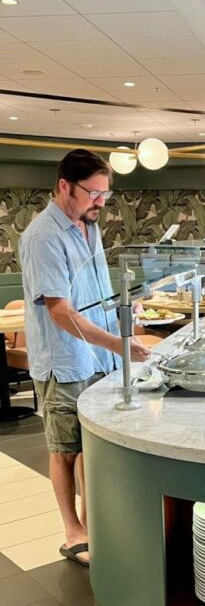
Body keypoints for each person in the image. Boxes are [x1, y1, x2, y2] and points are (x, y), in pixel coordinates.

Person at [19, 149, 151, 566]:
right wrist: (117, 344)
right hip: (65, 359)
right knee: (66, 448)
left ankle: (95, 520)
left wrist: (128, 311)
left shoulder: (89, 227)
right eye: (93, 193)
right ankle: (72, 530)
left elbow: (94, 291)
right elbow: (60, 311)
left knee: (92, 446)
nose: (100, 203)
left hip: (99, 356)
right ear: (64, 186)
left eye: (105, 195)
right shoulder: (42, 236)